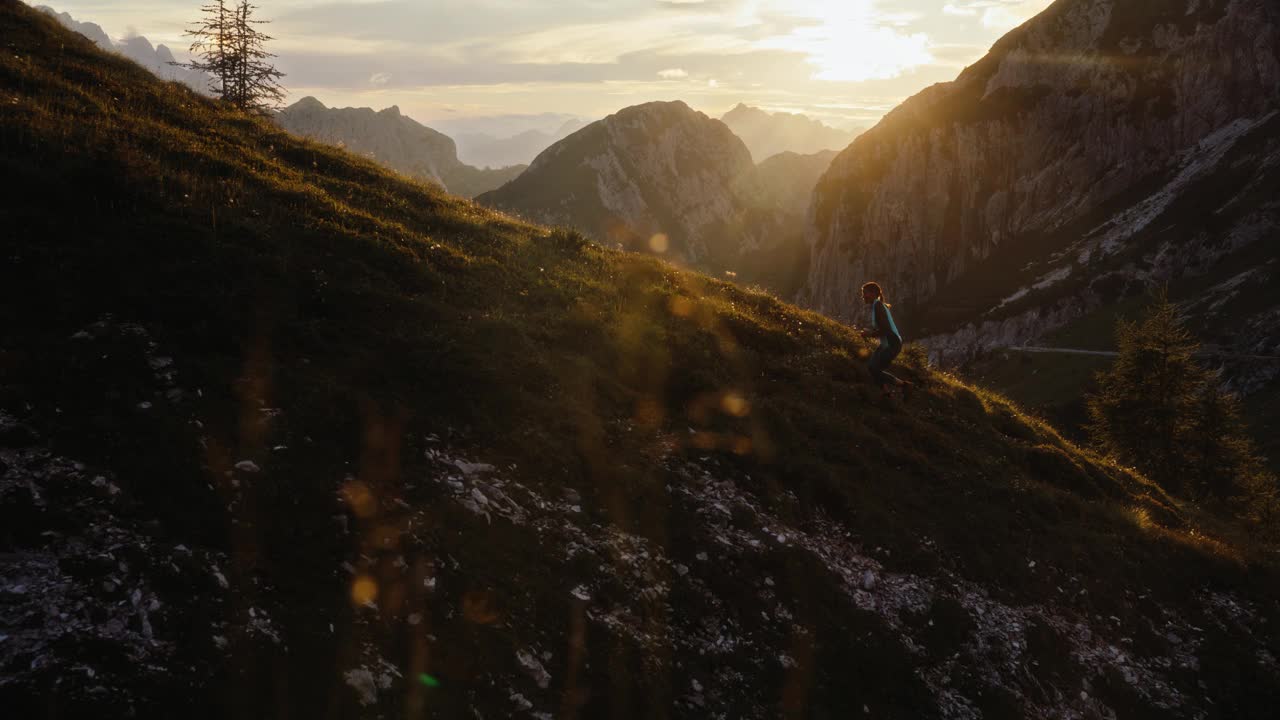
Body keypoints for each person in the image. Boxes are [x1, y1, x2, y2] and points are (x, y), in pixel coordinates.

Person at [859, 282, 911, 400]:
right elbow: (882, 327)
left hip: (892, 344)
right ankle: (887, 393)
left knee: (874, 368)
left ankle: (904, 386)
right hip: (887, 344)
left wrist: (870, 334)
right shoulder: (878, 305)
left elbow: (886, 329)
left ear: (872, 294)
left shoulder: (878, 306)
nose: (863, 296)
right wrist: (870, 332)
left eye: (865, 293)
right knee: (872, 367)